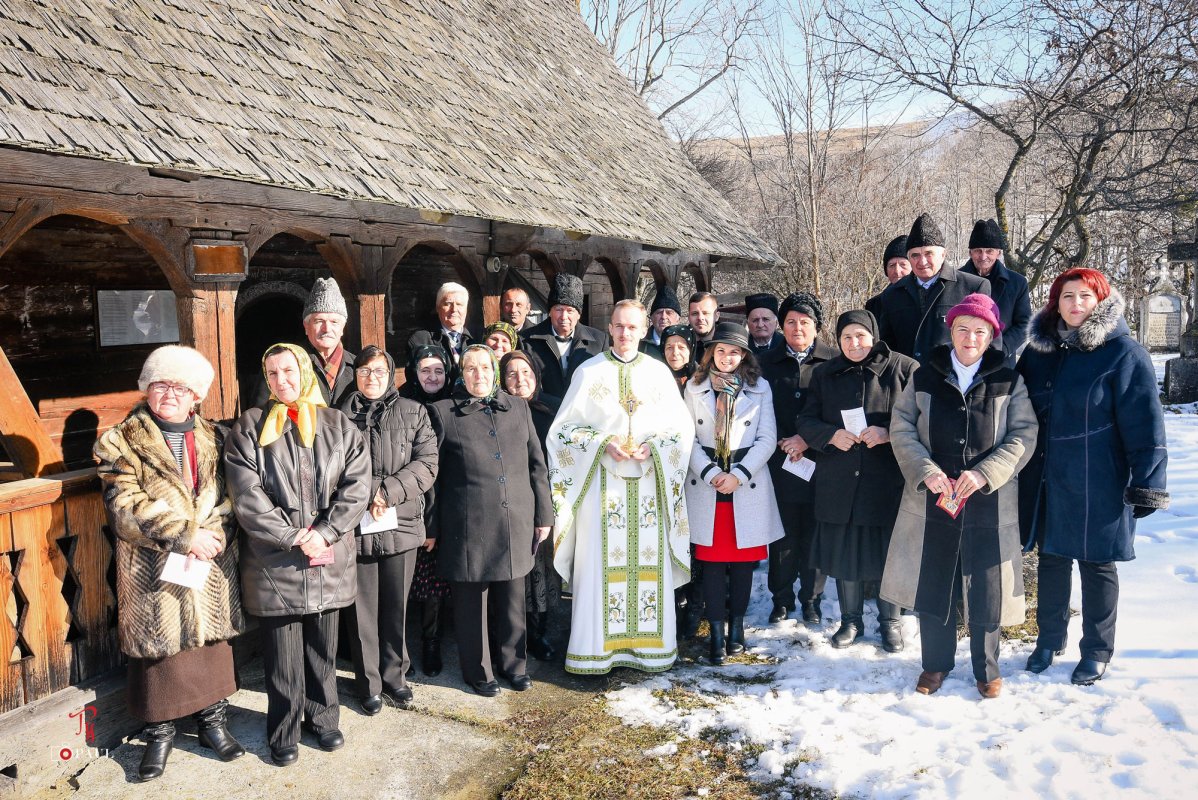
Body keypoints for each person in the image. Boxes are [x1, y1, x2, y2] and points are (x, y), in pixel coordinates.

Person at [94, 346, 245, 781]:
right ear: (147, 388)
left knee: (209, 647)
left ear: (196, 395)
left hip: (209, 560)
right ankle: (159, 733)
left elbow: (232, 495)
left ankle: (212, 724)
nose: (169, 394)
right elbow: (124, 506)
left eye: (180, 387)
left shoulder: (217, 437)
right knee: (158, 653)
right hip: (151, 566)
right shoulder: (120, 440)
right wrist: (184, 536)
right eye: (161, 384)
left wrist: (214, 533)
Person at [882, 294, 1037, 699]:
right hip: (934, 499)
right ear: (951, 331)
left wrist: (986, 472)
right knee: (935, 583)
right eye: (963, 329)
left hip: (989, 499)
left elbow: (1024, 435)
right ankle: (935, 665)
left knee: (987, 588)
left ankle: (987, 669)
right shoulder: (924, 376)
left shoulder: (1009, 379)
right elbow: (901, 427)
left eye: (980, 331)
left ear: (992, 336)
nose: (971, 338)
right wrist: (925, 470)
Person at [1018, 268, 1169, 685]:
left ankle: (1097, 649)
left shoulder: (1124, 354)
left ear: (1101, 301)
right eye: (1067, 296)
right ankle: (1048, 640)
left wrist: (1149, 482)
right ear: (1056, 303)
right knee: (1051, 558)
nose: (1076, 304)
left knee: (1097, 563)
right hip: (1048, 475)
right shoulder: (1038, 352)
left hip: (1101, 476)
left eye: (1086, 296)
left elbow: (1145, 424)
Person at [225, 343, 370, 766]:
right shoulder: (250, 428)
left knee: (322, 650)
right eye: (272, 374)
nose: (281, 380)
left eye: (288, 370)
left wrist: (324, 532)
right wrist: (293, 535)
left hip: (328, 555)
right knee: (283, 657)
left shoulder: (338, 424)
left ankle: (324, 718)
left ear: (304, 372)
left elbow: (357, 485)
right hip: (277, 562)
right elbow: (247, 495)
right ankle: (284, 729)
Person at [550, 300, 694, 674]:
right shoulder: (589, 372)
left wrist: (655, 447)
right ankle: (596, 651)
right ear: (609, 328)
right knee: (600, 568)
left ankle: (650, 651)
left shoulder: (660, 375)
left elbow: (681, 431)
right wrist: (601, 443)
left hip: (649, 486)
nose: (626, 333)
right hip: (601, 489)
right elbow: (561, 432)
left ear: (646, 329)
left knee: (648, 565)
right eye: (619, 326)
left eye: (633, 327)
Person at [428, 345, 553, 695]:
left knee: (513, 599)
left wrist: (543, 513)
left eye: (485, 367)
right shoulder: (442, 413)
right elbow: (432, 477)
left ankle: (514, 665)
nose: (479, 374)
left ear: (494, 372)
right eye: (471, 368)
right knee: (472, 604)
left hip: (515, 520)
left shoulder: (516, 407)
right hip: (466, 527)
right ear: (462, 373)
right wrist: (432, 527)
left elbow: (536, 465)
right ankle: (478, 672)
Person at [796, 311, 918, 652]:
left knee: (886, 555)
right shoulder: (825, 373)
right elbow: (806, 419)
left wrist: (888, 433)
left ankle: (890, 622)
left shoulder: (903, 369)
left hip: (886, 482)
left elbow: (924, 418)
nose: (854, 343)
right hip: (840, 481)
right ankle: (850, 621)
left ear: (874, 335)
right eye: (847, 337)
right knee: (845, 553)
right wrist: (830, 435)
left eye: (861, 336)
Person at [340, 346, 438, 715]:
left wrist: (387, 492)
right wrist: (365, 496)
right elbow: (330, 467)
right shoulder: (339, 417)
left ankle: (395, 677)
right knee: (362, 609)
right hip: (357, 525)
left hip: (401, 521)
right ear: (356, 375)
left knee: (396, 606)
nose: (372, 378)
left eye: (379, 371)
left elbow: (427, 462)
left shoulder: (413, 412)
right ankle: (368, 682)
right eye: (365, 371)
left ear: (391, 374)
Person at [684, 322, 785, 665]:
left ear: (744, 356)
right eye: (721, 350)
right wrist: (712, 473)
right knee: (712, 564)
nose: (727, 357)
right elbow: (688, 439)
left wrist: (738, 475)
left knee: (742, 564)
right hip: (708, 483)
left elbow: (767, 438)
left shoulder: (759, 388)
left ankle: (737, 629)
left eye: (735, 352)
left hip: (746, 482)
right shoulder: (695, 387)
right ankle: (715, 633)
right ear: (711, 353)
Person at [759, 291, 837, 625]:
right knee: (782, 535)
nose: (797, 328)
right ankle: (781, 598)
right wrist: (781, 442)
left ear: (817, 327)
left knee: (813, 535)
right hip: (778, 462)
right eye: (790, 321)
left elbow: (837, 414)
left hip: (820, 463)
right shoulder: (765, 363)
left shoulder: (833, 363)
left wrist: (808, 440)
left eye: (804, 322)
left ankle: (812, 599)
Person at [501, 349, 563, 661]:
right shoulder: (498, 411)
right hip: (511, 500)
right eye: (511, 374)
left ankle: (541, 631)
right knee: (518, 572)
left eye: (525, 373)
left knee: (543, 568)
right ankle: (518, 633)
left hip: (547, 494)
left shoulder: (552, 409)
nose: (519, 379)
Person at [397, 344, 453, 676]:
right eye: (425, 370)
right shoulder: (404, 404)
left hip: (448, 499)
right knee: (410, 582)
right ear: (414, 372)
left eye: (438, 370)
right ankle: (403, 648)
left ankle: (432, 643)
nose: (432, 377)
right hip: (414, 501)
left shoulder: (453, 403)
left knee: (436, 584)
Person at [875, 213, 992, 364]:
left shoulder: (973, 287)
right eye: (915, 255)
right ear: (909, 258)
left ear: (943, 254)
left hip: (953, 380)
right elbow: (886, 347)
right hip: (908, 382)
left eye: (929, 253)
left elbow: (989, 340)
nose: (922, 261)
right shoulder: (892, 295)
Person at [249, 277, 358, 408]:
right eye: (319, 321)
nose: (327, 328)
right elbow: (259, 414)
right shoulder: (280, 363)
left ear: (343, 327)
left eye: (334, 322)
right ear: (306, 326)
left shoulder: (359, 367)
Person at [524, 272, 609, 399]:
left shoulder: (599, 341)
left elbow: (603, 382)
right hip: (543, 413)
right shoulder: (527, 340)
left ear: (579, 314)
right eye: (558, 309)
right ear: (550, 312)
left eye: (570, 310)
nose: (564, 317)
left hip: (582, 413)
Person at [960, 219, 1031, 366]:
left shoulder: (1017, 283)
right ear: (970, 252)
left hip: (1001, 361)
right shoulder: (955, 280)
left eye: (989, 251)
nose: (983, 256)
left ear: (998, 253)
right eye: (978, 251)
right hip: (962, 359)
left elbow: (1024, 324)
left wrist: (1001, 348)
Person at [407, 282, 476, 371]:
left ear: (466, 309)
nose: (454, 309)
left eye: (459, 304)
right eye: (448, 304)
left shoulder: (475, 340)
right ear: (438, 307)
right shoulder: (420, 340)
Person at [864, 236, 911, 317]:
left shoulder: (925, 299)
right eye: (892, 265)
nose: (897, 271)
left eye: (903, 265)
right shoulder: (874, 306)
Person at [661, 324, 698, 394]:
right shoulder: (654, 378)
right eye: (669, 347)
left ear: (691, 350)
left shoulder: (703, 378)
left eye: (681, 347)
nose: (675, 353)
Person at [687, 291, 720, 363]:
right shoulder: (681, 345)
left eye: (706, 313)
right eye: (695, 313)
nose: (700, 318)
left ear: (716, 316)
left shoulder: (726, 344)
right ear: (689, 317)